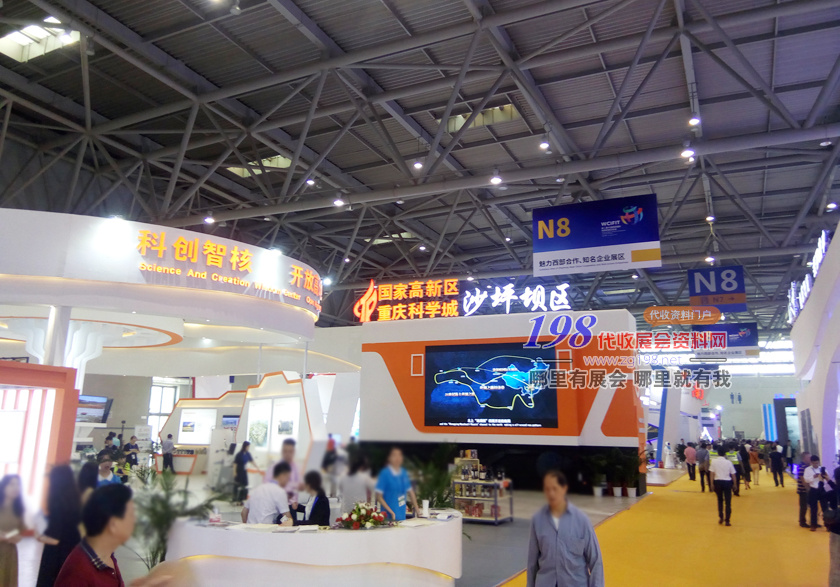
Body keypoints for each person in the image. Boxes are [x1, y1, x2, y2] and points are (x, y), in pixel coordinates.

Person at [526, 470, 603, 587]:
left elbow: (596, 561)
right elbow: (532, 563)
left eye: (555, 489)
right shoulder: (538, 521)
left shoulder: (582, 521)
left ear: (564, 489)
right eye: (547, 489)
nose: (551, 494)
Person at [55, 484, 135, 586]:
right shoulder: (79, 572)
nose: (134, 521)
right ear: (113, 524)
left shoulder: (106, 557)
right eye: (131, 515)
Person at [36, 464, 81, 587]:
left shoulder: (57, 504)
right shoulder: (76, 502)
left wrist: (39, 536)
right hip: (72, 552)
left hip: (56, 557)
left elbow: (54, 539)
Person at [375, 447, 419, 521]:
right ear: (389, 458)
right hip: (389, 517)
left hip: (401, 515)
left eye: (399, 455)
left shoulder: (403, 472)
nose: (397, 458)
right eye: (394, 455)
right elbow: (378, 496)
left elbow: (410, 491)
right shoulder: (384, 473)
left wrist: (417, 509)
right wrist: (391, 512)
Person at [0, 475, 25, 587]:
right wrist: (5, 536)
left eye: (18, 484)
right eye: (12, 484)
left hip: (9, 553)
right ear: (4, 487)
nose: (16, 487)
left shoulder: (19, 510)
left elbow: (19, 532)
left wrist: (15, 537)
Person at [264, 438, 302, 506]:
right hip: (275, 503)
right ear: (282, 451)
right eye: (285, 451)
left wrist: (294, 501)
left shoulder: (296, 468)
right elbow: (266, 484)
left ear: (294, 452)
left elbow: (297, 486)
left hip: (291, 504)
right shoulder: (273, 467)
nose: (287, 454)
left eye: (290, 451)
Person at [710, 446, 737, 526]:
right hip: (727, 482)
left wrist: (711, 483)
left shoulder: (713, 462)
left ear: (718, 453)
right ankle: (727, 520)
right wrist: (735, 484)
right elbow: (733, 474)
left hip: (717, 481)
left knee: (720, 500)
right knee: (728, 502)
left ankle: (721, 517)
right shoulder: (728, 462)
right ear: (725, 454)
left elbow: (711, 473)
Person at [804, 454, 830, 531]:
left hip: (822, 489)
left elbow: (827, 478)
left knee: (825, 508)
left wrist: (824, 476)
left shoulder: (822, 469)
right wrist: (813, 476)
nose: (816, 464)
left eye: (817, 463)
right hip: (813, 489)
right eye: (814, 463)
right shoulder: (808, 469)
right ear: (811, 462)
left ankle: (828, 525)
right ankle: (813, 525)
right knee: (813, 508)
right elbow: (806, 480)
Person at [233, 441, 253, 505]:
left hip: (244, 472)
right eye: (248, 446)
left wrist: (257, 468)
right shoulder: (239, 454)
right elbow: (235, 464)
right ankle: (237, 500)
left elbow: (252, 461)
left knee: (244, 485)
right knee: (238, 485)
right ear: (245, 446)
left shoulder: (248, 454)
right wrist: (234, 472)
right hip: (239, 471)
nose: (248, 448)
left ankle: (241, 499)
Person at [796, 451, 813, 528]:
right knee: (804, 506)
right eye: (808, 457)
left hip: (804, 489)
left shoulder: (806, 466)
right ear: (804, 458)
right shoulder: (803, 467)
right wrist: (808, 488)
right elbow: (802, 479)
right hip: (803, 490)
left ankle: (806, 521)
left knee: (805, 506)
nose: (810, 459)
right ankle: (802, 521)